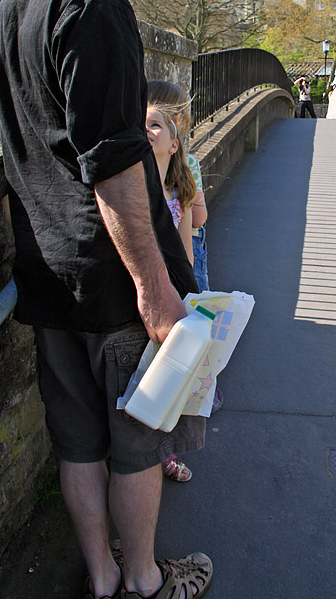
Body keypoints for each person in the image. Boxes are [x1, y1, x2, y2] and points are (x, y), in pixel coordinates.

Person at [0, 0, 213, 600]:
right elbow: (113, 159)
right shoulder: (100, 6)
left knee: (78, 441)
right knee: (137, 444)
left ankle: (102, 578)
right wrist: (153, 284)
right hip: (111, 278)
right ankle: (144, 581)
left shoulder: (12, 7)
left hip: (44, 268)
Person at [147, 81, 223, 415]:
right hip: (189, 250)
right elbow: (199, 221)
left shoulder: (165, 175)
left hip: (179, 255)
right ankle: (206, 388)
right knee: (200, 312)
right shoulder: (189, 165)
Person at [145, 100, 197, 484]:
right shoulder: (131, 190)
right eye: (142, 124)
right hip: (141, 297)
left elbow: (187, 254)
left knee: (169, 379)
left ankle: (166, 450)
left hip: (171, 296)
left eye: (156, 125)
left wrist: (190, 301)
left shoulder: (177, 193)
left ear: (174, 144)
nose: (147, 130)